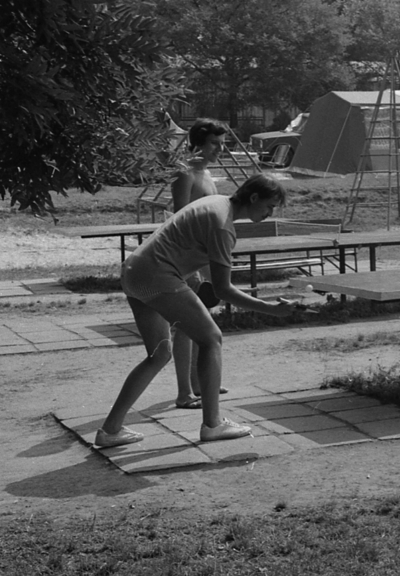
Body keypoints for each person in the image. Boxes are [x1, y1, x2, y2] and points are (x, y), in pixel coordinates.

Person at [95, 174, 299, 447]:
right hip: (157, 276)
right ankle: (213, 424)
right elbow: (223, 289)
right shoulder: (223, 225)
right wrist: (270, 309)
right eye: (269, 206)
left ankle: (110, 430)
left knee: (158, 354)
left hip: (134, 272)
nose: (270, 213)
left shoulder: (215, 202)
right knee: (211, 338)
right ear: (253, 198)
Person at [170, 120, 228, 409]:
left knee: (203, 322)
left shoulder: (206, 173)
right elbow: (178, 220)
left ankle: (199, 382)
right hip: (183, 259)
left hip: (202, 256)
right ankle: (184, 393)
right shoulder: (184, 172)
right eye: (214, 143)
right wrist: (191, 266)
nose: (220, 149)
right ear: (198, 142)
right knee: (184, 326)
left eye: (222, 143)